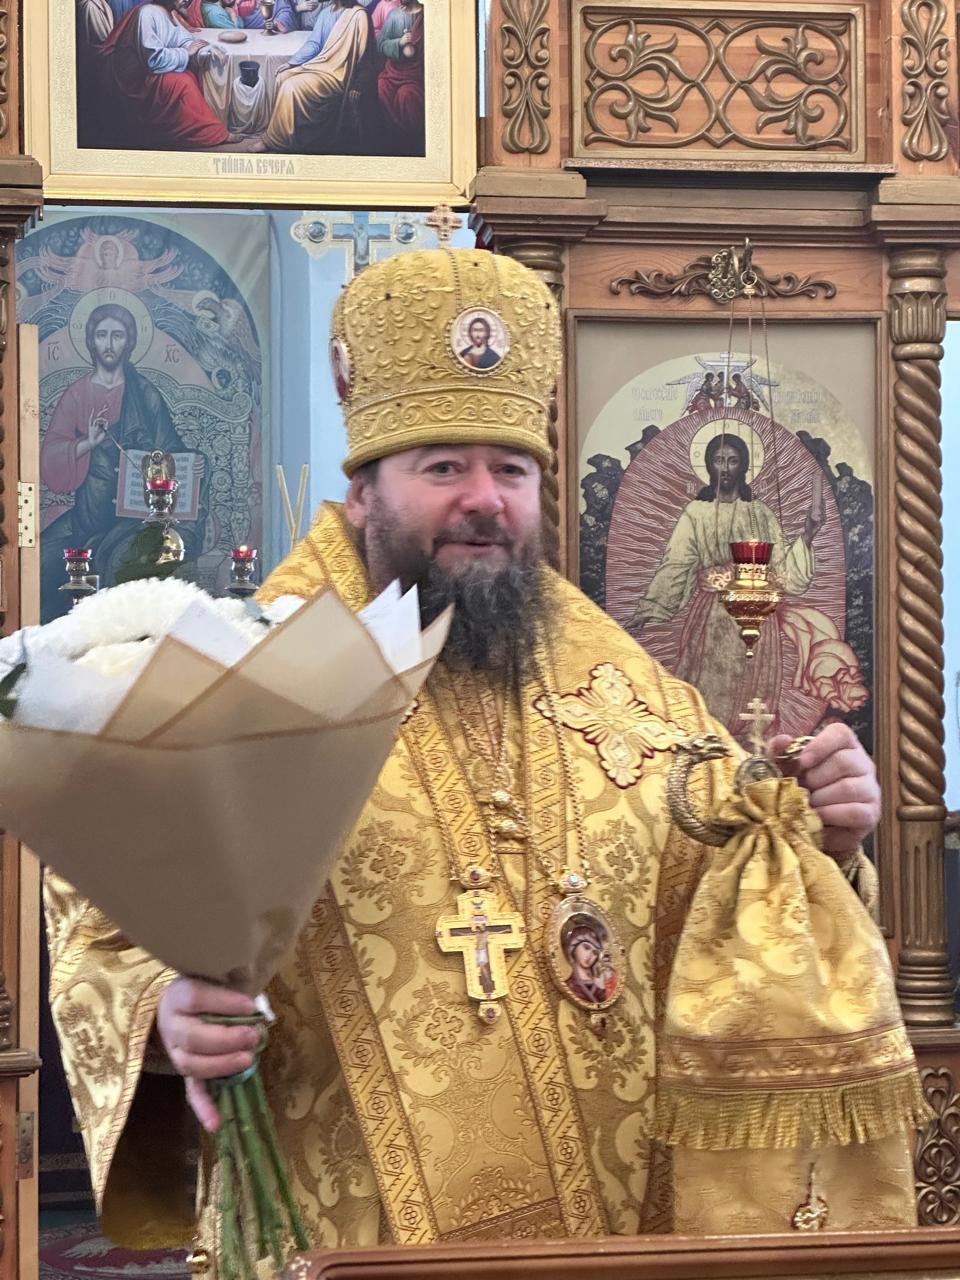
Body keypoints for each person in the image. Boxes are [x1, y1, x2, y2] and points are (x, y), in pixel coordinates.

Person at [45, 251, 918, 1258]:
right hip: (357, 1238)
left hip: (614, 1233)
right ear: (364, 493)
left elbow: (736, 881)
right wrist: (165, 1020)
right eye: (441, 467)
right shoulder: (251, 680)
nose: (484, 499)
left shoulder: (626, 688)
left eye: (510, 469)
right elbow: (107, 925)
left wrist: (826, 833)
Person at [628, 432, 863, 734]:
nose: (725, 468)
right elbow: (676, 564)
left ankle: (757, 754)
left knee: (755, 704)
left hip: (760, 619)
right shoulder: (696, 513)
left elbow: (783, 571)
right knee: (710, 700)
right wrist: (648, 610)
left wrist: (807, 533)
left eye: (733, 461)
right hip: (714, 621)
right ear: (708, 465)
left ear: (744, 466)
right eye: (719, 460)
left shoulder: (760, 513)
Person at [39, 303, 209, 621]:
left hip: (133, 518)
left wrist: (194, 464)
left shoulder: (144, 394)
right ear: (91, 340)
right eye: (101, 335)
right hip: (87, 516)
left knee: (121, 568)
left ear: (129, 341)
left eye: (117, 335)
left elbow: (169, 449)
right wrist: (87, 444)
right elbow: (51, 457)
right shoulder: (77, 394)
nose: (108, 343)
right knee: (39, 565)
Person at [100, 0, 252, 150]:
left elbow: (185, 41)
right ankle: (210, 133)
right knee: (183, 82)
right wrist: (186, 53)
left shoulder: (169, 14)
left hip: (152, 71)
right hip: (137, 81)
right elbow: (153, 60)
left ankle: (200, 127)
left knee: (192, 75)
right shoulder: (147, 13)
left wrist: (206, 50)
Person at [263, 0, 372, 152]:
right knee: (282, 76)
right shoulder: (325, 13)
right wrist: (292, 63)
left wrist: (358, 84)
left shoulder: (359, 15)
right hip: (322, 65)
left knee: (291, 86)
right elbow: (314, 44)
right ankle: (286, 134)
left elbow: (366, 56)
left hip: (338, 75)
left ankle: (275, 141)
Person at [377, 0, 423, 149]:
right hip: (394, 71)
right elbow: (381, 44)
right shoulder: (395, 15)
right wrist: (399, 43)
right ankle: (393, 138)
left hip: (417, 74)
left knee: (406, 95)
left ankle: (410, 141)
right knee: (382, 85)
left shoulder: (428, 16)